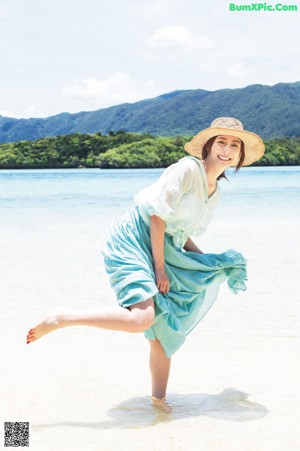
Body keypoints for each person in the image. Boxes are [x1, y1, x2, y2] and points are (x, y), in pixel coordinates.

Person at [26, 117, 265, 412]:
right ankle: (63, 317)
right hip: (134, 238)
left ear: (240, 155)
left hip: (164, 244)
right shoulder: (188, 169)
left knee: (163, 335)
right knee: (142, 318)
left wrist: (205, 263)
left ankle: (158, 401)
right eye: (221, 142)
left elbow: (182, 233)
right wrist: (160, 269)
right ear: (207, 146)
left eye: (234, 145)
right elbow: (156, 215)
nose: (227, 149)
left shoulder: (215, 191)